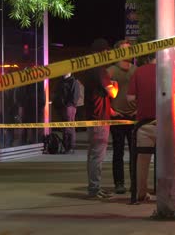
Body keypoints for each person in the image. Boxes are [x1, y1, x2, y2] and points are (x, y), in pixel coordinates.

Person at [127, 56, 175, 202]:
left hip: (144, 124)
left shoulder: (138, 72)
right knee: (173, 157)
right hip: (167, 124)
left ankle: (140, 192)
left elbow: (130, 98)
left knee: (142, 159)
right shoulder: (171, 72)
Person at [83, 38, 118, 199]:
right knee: (98, 155)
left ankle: (94, 187)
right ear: (102, 52)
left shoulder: (88, 68)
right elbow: (112, 93)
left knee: (92, 155)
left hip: (92, 115)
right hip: (100, 118)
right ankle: (94, 189)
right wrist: (115, 85)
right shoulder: (100, 70)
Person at [107, 40, 137, 194]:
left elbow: (142, 92)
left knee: (135, 152)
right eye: (123, 50)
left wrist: (138, 110)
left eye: (129, 50)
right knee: (118, 151)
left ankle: (135, 182)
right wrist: (111, 111)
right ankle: (119, 183)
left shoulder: (136, 71)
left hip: (133, 117)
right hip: (117, 116)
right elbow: (103, 92)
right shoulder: (111, 71)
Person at [54, 72, 80, 153]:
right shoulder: (61, 82)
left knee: (68, 127)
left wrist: (68, 105)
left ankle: (69, 146)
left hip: (69, 107)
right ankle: (67, 146)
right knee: (65, 127)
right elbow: (57, 94)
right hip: (63, 107)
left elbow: (75, 96)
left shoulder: (73, 82)